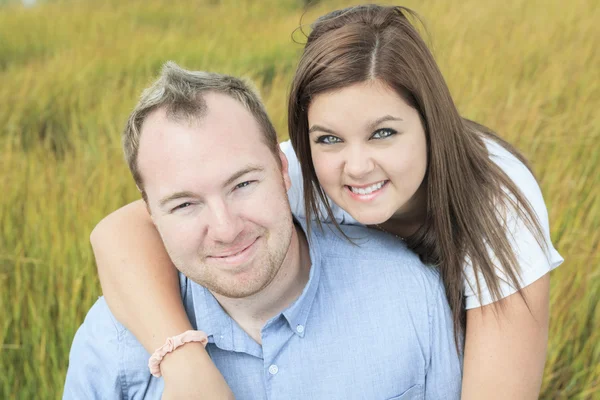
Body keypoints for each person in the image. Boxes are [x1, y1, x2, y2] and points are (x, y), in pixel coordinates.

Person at [89, 5, 563, 399]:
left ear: (431, 122)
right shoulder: (293, 171)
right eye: (329, 137)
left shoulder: (498, 205)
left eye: (384, 133)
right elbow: (122, 231)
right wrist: (185, 360)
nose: (356, 167)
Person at [63, 63, 461, 399]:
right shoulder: (111, 344)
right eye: (185, 204)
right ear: (149, 210)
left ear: (282, 168)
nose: (225, 229)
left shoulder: (409, 294)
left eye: (243, 185)